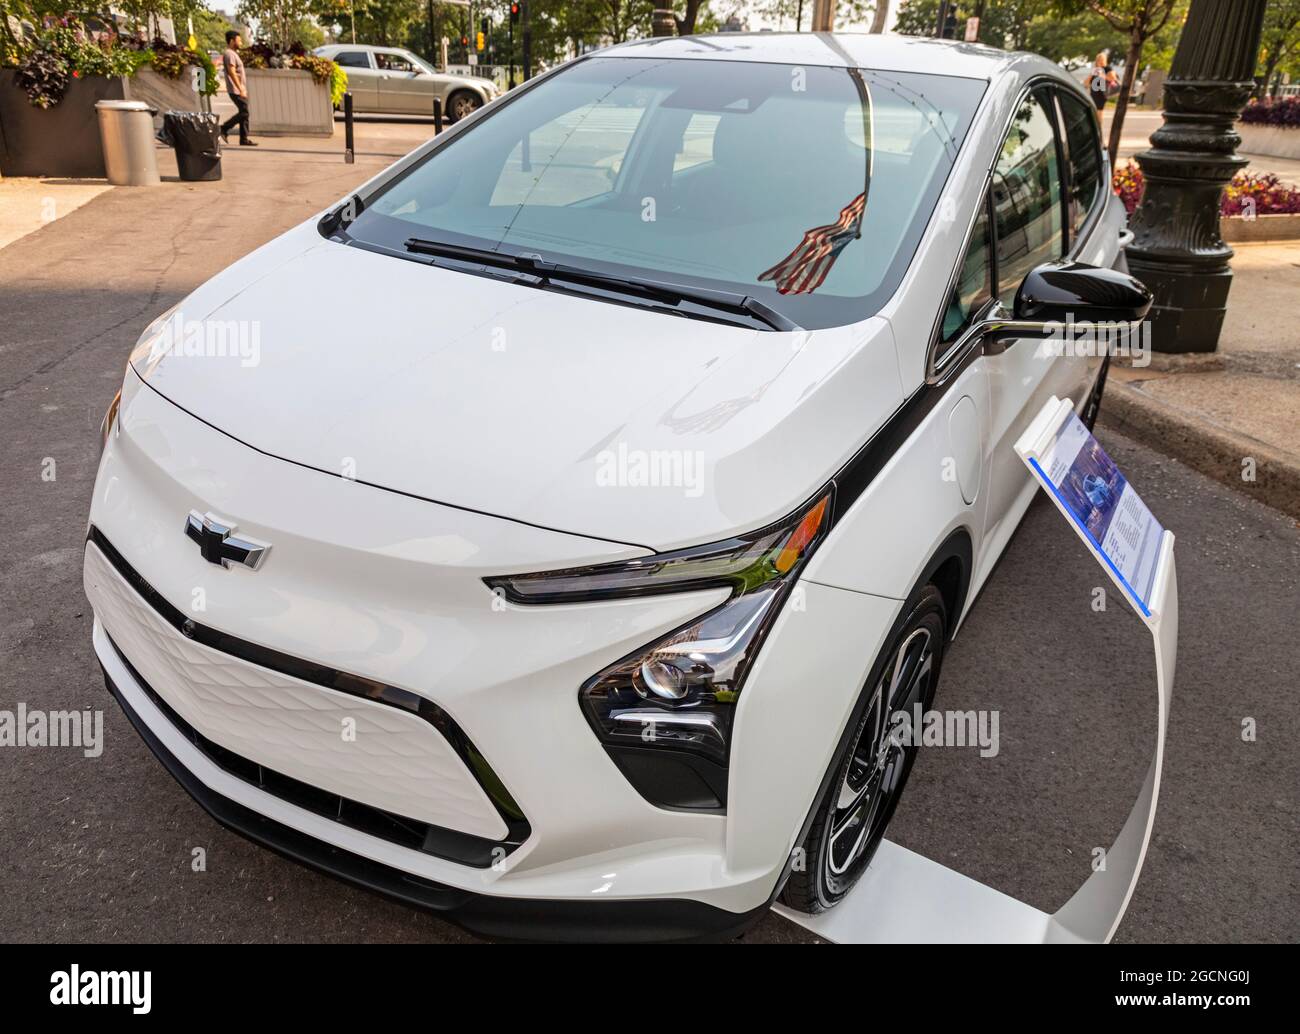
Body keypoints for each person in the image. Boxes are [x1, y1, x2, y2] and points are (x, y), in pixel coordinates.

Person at [219, 30, 257, 147]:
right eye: (238, 40)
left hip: (239, 89)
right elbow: (231, 72)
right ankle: (224, 128)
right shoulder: (229, 54)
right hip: (235, 89)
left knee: (244, 112)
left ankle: (244, 139)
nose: (240, 42)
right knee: (244, 112)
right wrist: (240, 88)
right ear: (232, 41)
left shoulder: (233, 53)